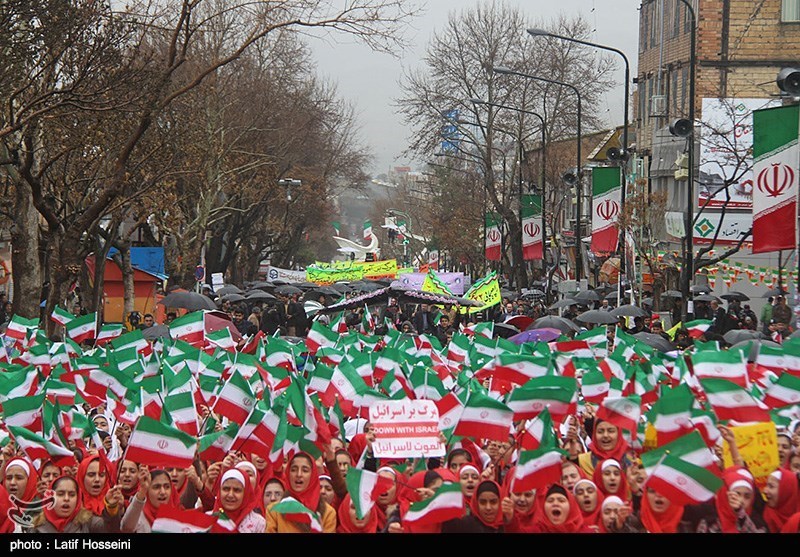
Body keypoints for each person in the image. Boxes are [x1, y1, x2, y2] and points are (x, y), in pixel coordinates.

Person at [265, 452, 336, 533]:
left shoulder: (328, 512)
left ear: (313, 475)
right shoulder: (274, 510)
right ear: (288, 473)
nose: (299, 474)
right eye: (293, 470)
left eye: (305, 470)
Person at [29, 475, 121, 533]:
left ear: (78, 499)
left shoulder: (87, 522)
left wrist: (111, 506)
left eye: (72, 495)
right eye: (60, 494)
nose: (66, 499)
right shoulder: (36, 526)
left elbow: (111, 529)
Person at [121, 468, 178, 533]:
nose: (163, 492)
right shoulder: (138, 516)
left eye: (167, 487)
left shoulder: (178, 516)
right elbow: (126, 528)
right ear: (147, 491)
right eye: (156, 487)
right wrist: (142, 491)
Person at [210, 469, 265, 533]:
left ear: (245, 494)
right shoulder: (207, 520)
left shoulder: (258, 523)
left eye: (237, 490)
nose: (230, 495)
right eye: (226, 489)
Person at [441, 478, 505, 533]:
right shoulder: (464, 526)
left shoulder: (507, 526)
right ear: (476, 503)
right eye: (483, 502)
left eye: (493, 502)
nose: (488, 507)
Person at [763, 468, 799, 532]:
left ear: (786, 491)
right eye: (766, 485)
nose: (765, 491)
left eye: (771, 486)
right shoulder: (763, 519)